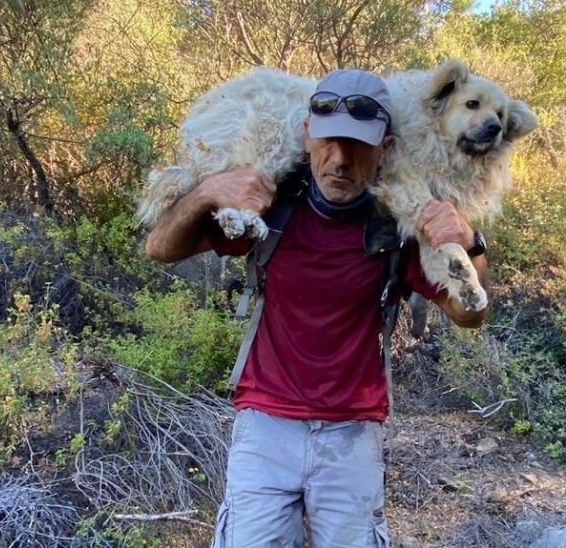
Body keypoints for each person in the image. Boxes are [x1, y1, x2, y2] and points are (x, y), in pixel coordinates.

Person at [145, 68, 489, 548]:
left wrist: (469, 242)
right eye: (328, 140)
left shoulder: (396, 227)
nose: (341, 160)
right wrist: (207, 192)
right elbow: (161, 248)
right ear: (307, 136)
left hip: (352, 433)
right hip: (265, 425)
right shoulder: (272, 207)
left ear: (386, 150)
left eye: (360, 146)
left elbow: (470, 313)